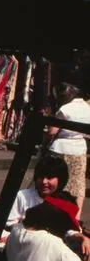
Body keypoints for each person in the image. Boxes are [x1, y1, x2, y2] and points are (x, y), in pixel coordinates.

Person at [47, 83, 90, 212]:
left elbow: (52, 132)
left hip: (61, 147)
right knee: (77, 184)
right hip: (79, 147)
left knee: (57, 181)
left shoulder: (65, 109)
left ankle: (53, 210)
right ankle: (75, 215)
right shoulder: (87, 108)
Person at [8, 156, 69, 225]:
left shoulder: (66, 203)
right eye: (41, 176)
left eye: (49, 177)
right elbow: (10, 222)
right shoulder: (22, 196)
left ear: (61, 179)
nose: (44, 181)